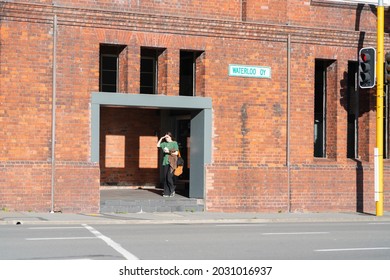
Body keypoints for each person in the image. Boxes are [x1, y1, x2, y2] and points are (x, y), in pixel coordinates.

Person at [157, 132, 179, 197]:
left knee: (169, 177)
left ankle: (172, 189)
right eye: (165, 137)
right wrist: (161, 138)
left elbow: (177, 153)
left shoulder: (174, 143)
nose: (166, 138)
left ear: (171, 137)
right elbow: (158, 145)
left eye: (167, 137)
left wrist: (168, 151)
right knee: (165, 177)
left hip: (172, 162)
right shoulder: (164, 144)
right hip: (165, 161)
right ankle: (166, 192)